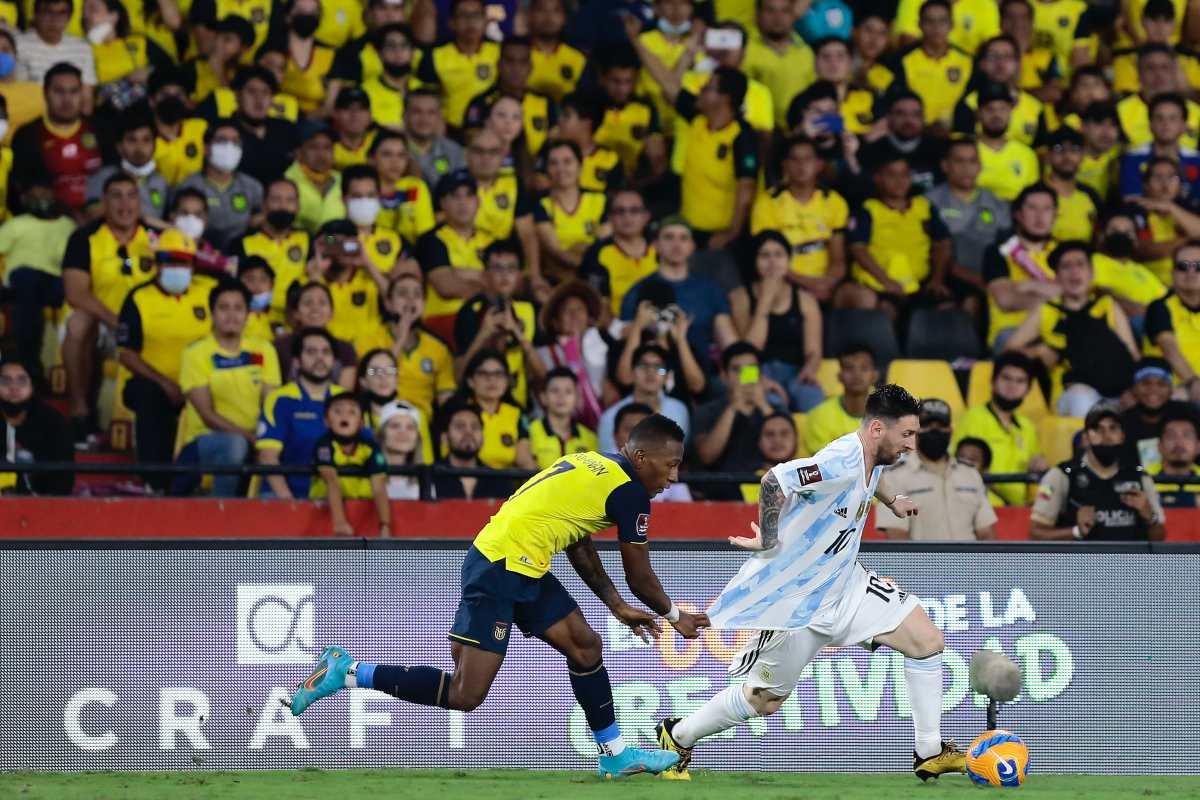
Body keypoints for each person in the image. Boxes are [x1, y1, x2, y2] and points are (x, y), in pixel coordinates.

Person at [287, 412, 705, 782]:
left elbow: (577, 539)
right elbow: (641, 576)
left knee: (585, 646)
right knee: (466, 694)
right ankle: (347, 671)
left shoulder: (593, 462)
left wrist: (614, 606)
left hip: (522, 562)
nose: (673, 479)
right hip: (501, 565)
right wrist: (674, 616)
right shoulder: (630, 491)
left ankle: (613, 756)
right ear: (641, 458)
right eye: (670, 466)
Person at [656, 384, 966, 784]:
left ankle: (929, 752)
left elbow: (874, 475)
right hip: (798, 603)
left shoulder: (876, 455)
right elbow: (774, 481)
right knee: (765, 700)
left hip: (846, 585)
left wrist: (890, 501)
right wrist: (768, 538)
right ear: (876, 429)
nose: (912, 443)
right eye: (906, 434)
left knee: (926, 641)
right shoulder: (839, 460)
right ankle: (678, 736)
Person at [116, 229, 215, 491]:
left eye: (182, 262)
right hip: (153, 383)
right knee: (150, 396)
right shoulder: (139, 297)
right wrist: (165, 383)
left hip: (203, 382)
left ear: (193, 265)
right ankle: (153, 479)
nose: (176, 268)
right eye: (169, 261)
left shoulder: (209, 292)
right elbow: (126, 353)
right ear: (157, 264)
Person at [61, 172, 155, 444]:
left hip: (147, 324)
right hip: (104, 321)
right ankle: (80, 412)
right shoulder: (84, 238)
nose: (124, 204)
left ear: (140, 201)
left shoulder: (157, 237)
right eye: (116, 196)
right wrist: (115, 320)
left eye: (131, 195)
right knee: (77, 324)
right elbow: (76, 293)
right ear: (104, 201)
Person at [1004, 241, 1140, 418]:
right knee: (1082, 399)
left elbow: (1133, 355)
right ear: (1057, 277)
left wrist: (1135, 391)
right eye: (1066, 267)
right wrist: (1037, 351)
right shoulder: (1047, 310)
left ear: (1091, 273)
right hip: (1073, 394)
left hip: (1119, 394)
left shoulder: (1107, 306)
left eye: (1080, 265)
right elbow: (1008, 351)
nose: (1074, 272)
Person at [174, 280, 281, 497]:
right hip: (206, 441)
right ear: (212, 313)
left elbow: (271, 404)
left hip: (254, 439)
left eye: (238, 308)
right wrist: (250, 438)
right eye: (224, 308)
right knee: (235, 446)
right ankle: (220, 511)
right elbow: (207, 415)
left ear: (248, 313)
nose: (231, 315)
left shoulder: (263, 349)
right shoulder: (196, 353)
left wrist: (265, 439)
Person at [1031, 405, 1166, 541]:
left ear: (1122, 435)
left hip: (1129, 561)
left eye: (1113, 428)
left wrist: (1150, 517)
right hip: (1080, 561)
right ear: (1086, 437)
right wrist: (1076, 531)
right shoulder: (1061, 475)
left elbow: (1160, 539)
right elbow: (1036, 533)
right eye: (1097, 429)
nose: (1106, 436)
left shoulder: (1140, 478)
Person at [620, 217, 737, 372]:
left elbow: (732, 346)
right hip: (654, 379)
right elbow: (625, 344)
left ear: (692, 246)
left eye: (683, 238)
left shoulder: (710, 289)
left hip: (703, 381)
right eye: (669, 237)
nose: (676, 244)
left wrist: (753, 377)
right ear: (655, 245)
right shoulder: (638, 290)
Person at [843, 153, 952, 317]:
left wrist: (937, 279)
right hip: (880, 285)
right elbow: (858, 249)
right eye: (891, 175)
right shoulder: (868, 210)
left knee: (947, 308)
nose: (899, 180)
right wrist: (887, 282)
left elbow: (943, 243)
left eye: (905, 174)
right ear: (878, 178)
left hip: (920, 283)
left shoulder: (924, 206)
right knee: (886, 311)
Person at [876, 398, 998, 541]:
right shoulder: (894, 478)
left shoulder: (970, 474)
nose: (935, 431)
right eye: (927, 425)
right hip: (923, 563)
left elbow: (986, 533)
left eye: (941, 425)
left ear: (951, 430)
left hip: (970, 563)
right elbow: (896, 536)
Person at [730, 231, 824, 412]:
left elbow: (813, 351)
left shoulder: (805, 300)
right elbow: (748, 351)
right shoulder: (740, 297)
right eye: (765, 255)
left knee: (814, 401)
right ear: (754, 260)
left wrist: (809, 370)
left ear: (788, 260)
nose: (772, 262)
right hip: (754, 372)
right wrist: (765, 300)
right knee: (771, 405)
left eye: (779, 254)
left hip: (796, 372)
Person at [749, 136, 848, 304]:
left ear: (819, 164)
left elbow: (838, 258)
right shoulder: (767, 203)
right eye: (794, 159)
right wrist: (808, 284)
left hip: (826, 285)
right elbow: (767, 259)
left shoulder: (835, 202)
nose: (801, 165)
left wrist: (827, 282)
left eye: (807, 159)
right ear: (785, 165)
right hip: (784, 281)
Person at [0, 173, 75, 388]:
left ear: (53, 196)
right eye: (34, 196)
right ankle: (29, 363)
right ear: (24, 199)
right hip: (22, 281)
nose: (40, 199)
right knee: (27, 281)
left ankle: (61, 372)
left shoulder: (67, 225)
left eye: (44, 194)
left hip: (56, 282)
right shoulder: (17, 224)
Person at [257, 327, 347, 500]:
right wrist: (291, 504)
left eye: (326, 352)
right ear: (297, 361)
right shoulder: (279, 399)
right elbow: (268, 456)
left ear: (334, 361)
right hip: (283, 497)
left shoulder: (348, 401)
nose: (320, 358)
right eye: (311, 352)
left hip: (335, 498)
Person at [926, 137, 1009, 316]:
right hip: (945, 279)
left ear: (980, 166)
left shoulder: (997, 203)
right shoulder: (928, 202)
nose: (967, 168)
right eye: (959, 161)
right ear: (945, 166)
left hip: (992, 279)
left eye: (972, 161)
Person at [454, 239, 540, 409]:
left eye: (511, 268)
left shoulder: (528, 310)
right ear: (485, 273)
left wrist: (517, 334)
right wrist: (484, 334)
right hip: (478, 408)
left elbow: (541, 375)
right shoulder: (470, 311)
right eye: (497, 268)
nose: (505, 275)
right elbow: (459, 375)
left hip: (519, 407)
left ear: (519, 275)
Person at [952, 350, 1046, 505]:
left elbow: (1037, 473)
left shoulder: (1027, 427)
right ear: (993, 381)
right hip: (982, 509)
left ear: (1028, 389)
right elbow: (965, 469)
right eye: (1006, 378)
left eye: (1020, 381)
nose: (1012, 386)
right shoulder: (974, 417)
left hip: (1018, 513)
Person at [9, 62, 100, 219]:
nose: (67, 99)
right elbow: (24, 190)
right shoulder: (27, 135)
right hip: (46, 221)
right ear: (45, 93)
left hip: (99, 219)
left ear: (82, 94)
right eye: (59, 91)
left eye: (73, 92)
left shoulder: (100, 129)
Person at [693, 343, 782, 498]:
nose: (744, 376)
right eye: (736, 370)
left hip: (767, 492)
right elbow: (707, 456)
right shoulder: (707, 411)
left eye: (750, 369)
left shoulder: (776, 409)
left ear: (760, 374)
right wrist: (733, 408)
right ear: (724, 376)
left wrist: (763, 406)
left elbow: (785, 451)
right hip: (720, 493)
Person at [417, 169, 495, 339]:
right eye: (455, 196)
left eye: (468, 196)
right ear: (443, 203)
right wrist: (483, 280)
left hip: (487, 316)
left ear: (478, 201)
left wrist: (460, 273)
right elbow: (446, 286)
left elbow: (508, 284)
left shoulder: (492, 241)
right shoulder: (431, 240)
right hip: (444, 318)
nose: (463, 203)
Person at [983, 183, 1060, 350]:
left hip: (1057, 328)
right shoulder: (998, 252)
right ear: (1018, 214)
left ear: (1055, 215)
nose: (1040, 216)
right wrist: (1055, 294)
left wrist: (1028, 286)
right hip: (1012, 331)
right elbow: (1006, 300)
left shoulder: (1065, 253)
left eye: (1047, 209)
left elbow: (1080, 293)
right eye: (1032, 208)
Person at [311, 393, 391, 538]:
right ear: (326, 421)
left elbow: (379, 487)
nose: (344, 416)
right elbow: (331, 481)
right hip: (326, 517)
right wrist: (340, 522)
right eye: (337, 411)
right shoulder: (324, 446)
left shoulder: (370, 448)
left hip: (363, 516)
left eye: (352, 412)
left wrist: (384, 525)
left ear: (361, 422)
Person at [176, 119, 264, 250]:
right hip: (198, 253)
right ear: (206, 148)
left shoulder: (253, 187)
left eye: (235, 142)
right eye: (222, 140)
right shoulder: (188, 186)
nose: (229, 147)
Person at [414, 0, 500, 131]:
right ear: (452, 23)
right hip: (449, 131)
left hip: (492, 130)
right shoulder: (435, 56)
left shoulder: (499, 53)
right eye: (464, 16)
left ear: (486, 21)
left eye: (476, 16)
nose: (471, 22)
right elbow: (425, 99)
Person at [535, 281, 609, 429]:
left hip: (596, 430)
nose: (574, 314)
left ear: (590, 320)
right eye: (566, 310)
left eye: (579, 309)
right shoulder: (543, 354)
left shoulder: (603, 351)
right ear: (556, 323)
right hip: (552, 428)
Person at [533, 140, 609, 283]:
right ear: (547, 169)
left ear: (580, 166)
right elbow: (555, 252)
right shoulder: (540, 204)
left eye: (567, 162)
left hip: (597, 275)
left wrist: (577, 250)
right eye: (553, 163)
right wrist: (585, 250)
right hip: (557, 277)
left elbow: (607, 244)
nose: (561, 169)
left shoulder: (601, 200)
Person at [893, 0, 974, 129]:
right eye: (929, 21)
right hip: (914, 133)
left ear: (951, 25)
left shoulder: (967, 61)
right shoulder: (902, 61)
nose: (936, 27)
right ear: (919, 25)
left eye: (942, 21)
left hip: (955, 133)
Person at [597, 342, 691, 451]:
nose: (650, 372)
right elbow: (609, 459)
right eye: (643, 365)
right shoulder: (610, 416)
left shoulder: (679, 410)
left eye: (658, 368)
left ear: (667, 377)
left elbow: (679, 455)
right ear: (631, 373)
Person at [0, 357, 73, 495]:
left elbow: (63, 480)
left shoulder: (53, 423)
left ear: (32, 386)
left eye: (21, 381)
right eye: (5, 381)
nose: (14, 387)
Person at [579, 188, 657, 317]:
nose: (627, 216)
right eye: (620, 211)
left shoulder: (660, 247)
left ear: (646, 216)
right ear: (610, 218)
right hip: (616, 327)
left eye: (634, 210)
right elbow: (594, 302)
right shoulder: (597, 253)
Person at [86, 110, 169, 225]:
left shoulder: (161, 182)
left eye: (146, 140)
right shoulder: (102, 177)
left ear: (154, 146)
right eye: (132, 140)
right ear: (119, 146)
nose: (139, 147)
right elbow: (92, 213)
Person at [457, 348, 535, 470]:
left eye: (498, 374)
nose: (492, 380)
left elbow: (524, 460)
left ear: (507, 381)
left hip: (506, 484)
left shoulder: (516, 414)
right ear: (470, 381)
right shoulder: (458, 412)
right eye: (483, 374)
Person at [1144, 239, 1200, 403]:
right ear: (1172, 274)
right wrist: (1193, 383)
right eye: (1183, 267)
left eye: (1198, 266)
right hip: (1173, 389)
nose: (1191, 273)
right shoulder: (1160, 307)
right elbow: (1170, 350)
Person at [273, 282, 358, 389]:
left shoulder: (345, 349)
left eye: (322, 303)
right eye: (308, 303)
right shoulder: (280, 346)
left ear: (331, 312)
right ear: (296, 313)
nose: (315, 308)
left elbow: (345, 392)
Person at [802, 343, 879, 456]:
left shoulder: (891, 414)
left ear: (874, 376)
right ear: (839, 376)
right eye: (849, 368)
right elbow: (824, 465)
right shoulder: (819, 415)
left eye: (864, 368)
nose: (856, 374)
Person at [1119, 358, 1194, 470]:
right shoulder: (1123, 423)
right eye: (1146, 383)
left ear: (1171, 389)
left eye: (1161, 384)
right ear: (1134, 389)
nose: (1153, 390)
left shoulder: (1189, 415)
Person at [430, 401, 514, 500]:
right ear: (444, 437)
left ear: (483, 437)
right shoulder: (430, 477)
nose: (468, 432)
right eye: (460, 426)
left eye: (475, 427)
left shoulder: (500, 481)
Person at [974, 80, 1040, 203]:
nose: (996, 115)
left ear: (1010, 112)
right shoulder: (966, 151)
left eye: (1002, 109)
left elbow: (1032, 199)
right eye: (990, 109)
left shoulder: (1027, 155)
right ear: (978, 113)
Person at [15, 0, 97, 99]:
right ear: (35, 15)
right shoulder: (18, 45)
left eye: (61, 13)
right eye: (47, 12)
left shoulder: (83, 48)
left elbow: (86, 98)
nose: (54, 20)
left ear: (69, 17)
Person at [529, 367, 598, 469]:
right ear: (543, 397)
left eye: (568, 391)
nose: (561, 396)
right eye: (554, 391)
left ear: (577, 398)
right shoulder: (529, 432)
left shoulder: (590, 438)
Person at [285, 123, 346, 235]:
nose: (321, 154)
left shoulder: (342, 180)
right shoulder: (286, 181)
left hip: (332, 242)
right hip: (298, 245)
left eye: (327, 147)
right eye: (313, 147)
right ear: (298, 152)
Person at [1043, 126, 1100, 244]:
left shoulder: (1090, 195)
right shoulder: (1036, 193)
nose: (1067, 156)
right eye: (1059, 149)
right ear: (1048, 156)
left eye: (1074, 150)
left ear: (1082, 156)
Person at [403, 88, 467, 188]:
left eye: (431, 113)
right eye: (417, 112)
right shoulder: (391, 151)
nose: (424, 119)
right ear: (404, 115)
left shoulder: (455, 152)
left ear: (439, 116)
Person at [526, 0, 584, 103]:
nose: (548, 18)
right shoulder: (517, 55)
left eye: (556, 11)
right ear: (530, 15)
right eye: (541, 10)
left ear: (565, 18)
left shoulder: (578, 59)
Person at [1151, 410, 1200, 508]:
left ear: (1198, 447)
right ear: (1159, 446)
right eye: (1171, 436)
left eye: (1187, 436)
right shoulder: (1143, 478)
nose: (1179, 443)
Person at [377, 400, 424, 501]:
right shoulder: (364, 478)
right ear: (382, 435)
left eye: (410, 427)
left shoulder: (425, 480)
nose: (403, 432)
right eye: (395, 426)